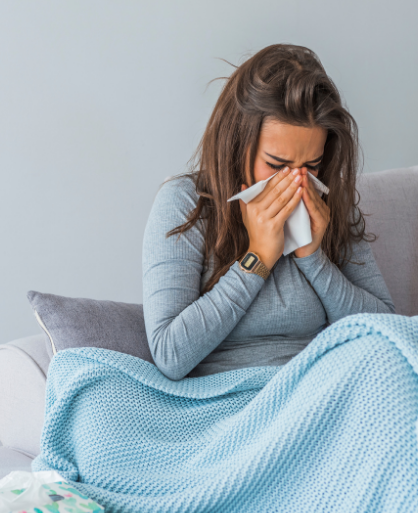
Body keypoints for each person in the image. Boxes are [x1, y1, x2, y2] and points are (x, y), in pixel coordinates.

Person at [142, 44, 397, 381]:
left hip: (320, 387)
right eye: (277, 164)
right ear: (236, 144)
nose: (295, 181)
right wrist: (258, 258)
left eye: (311, 165)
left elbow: (389, 331)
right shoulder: (185, 203)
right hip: (229, 400)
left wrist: (313, 258)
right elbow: (170, 355)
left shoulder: (328, 205)